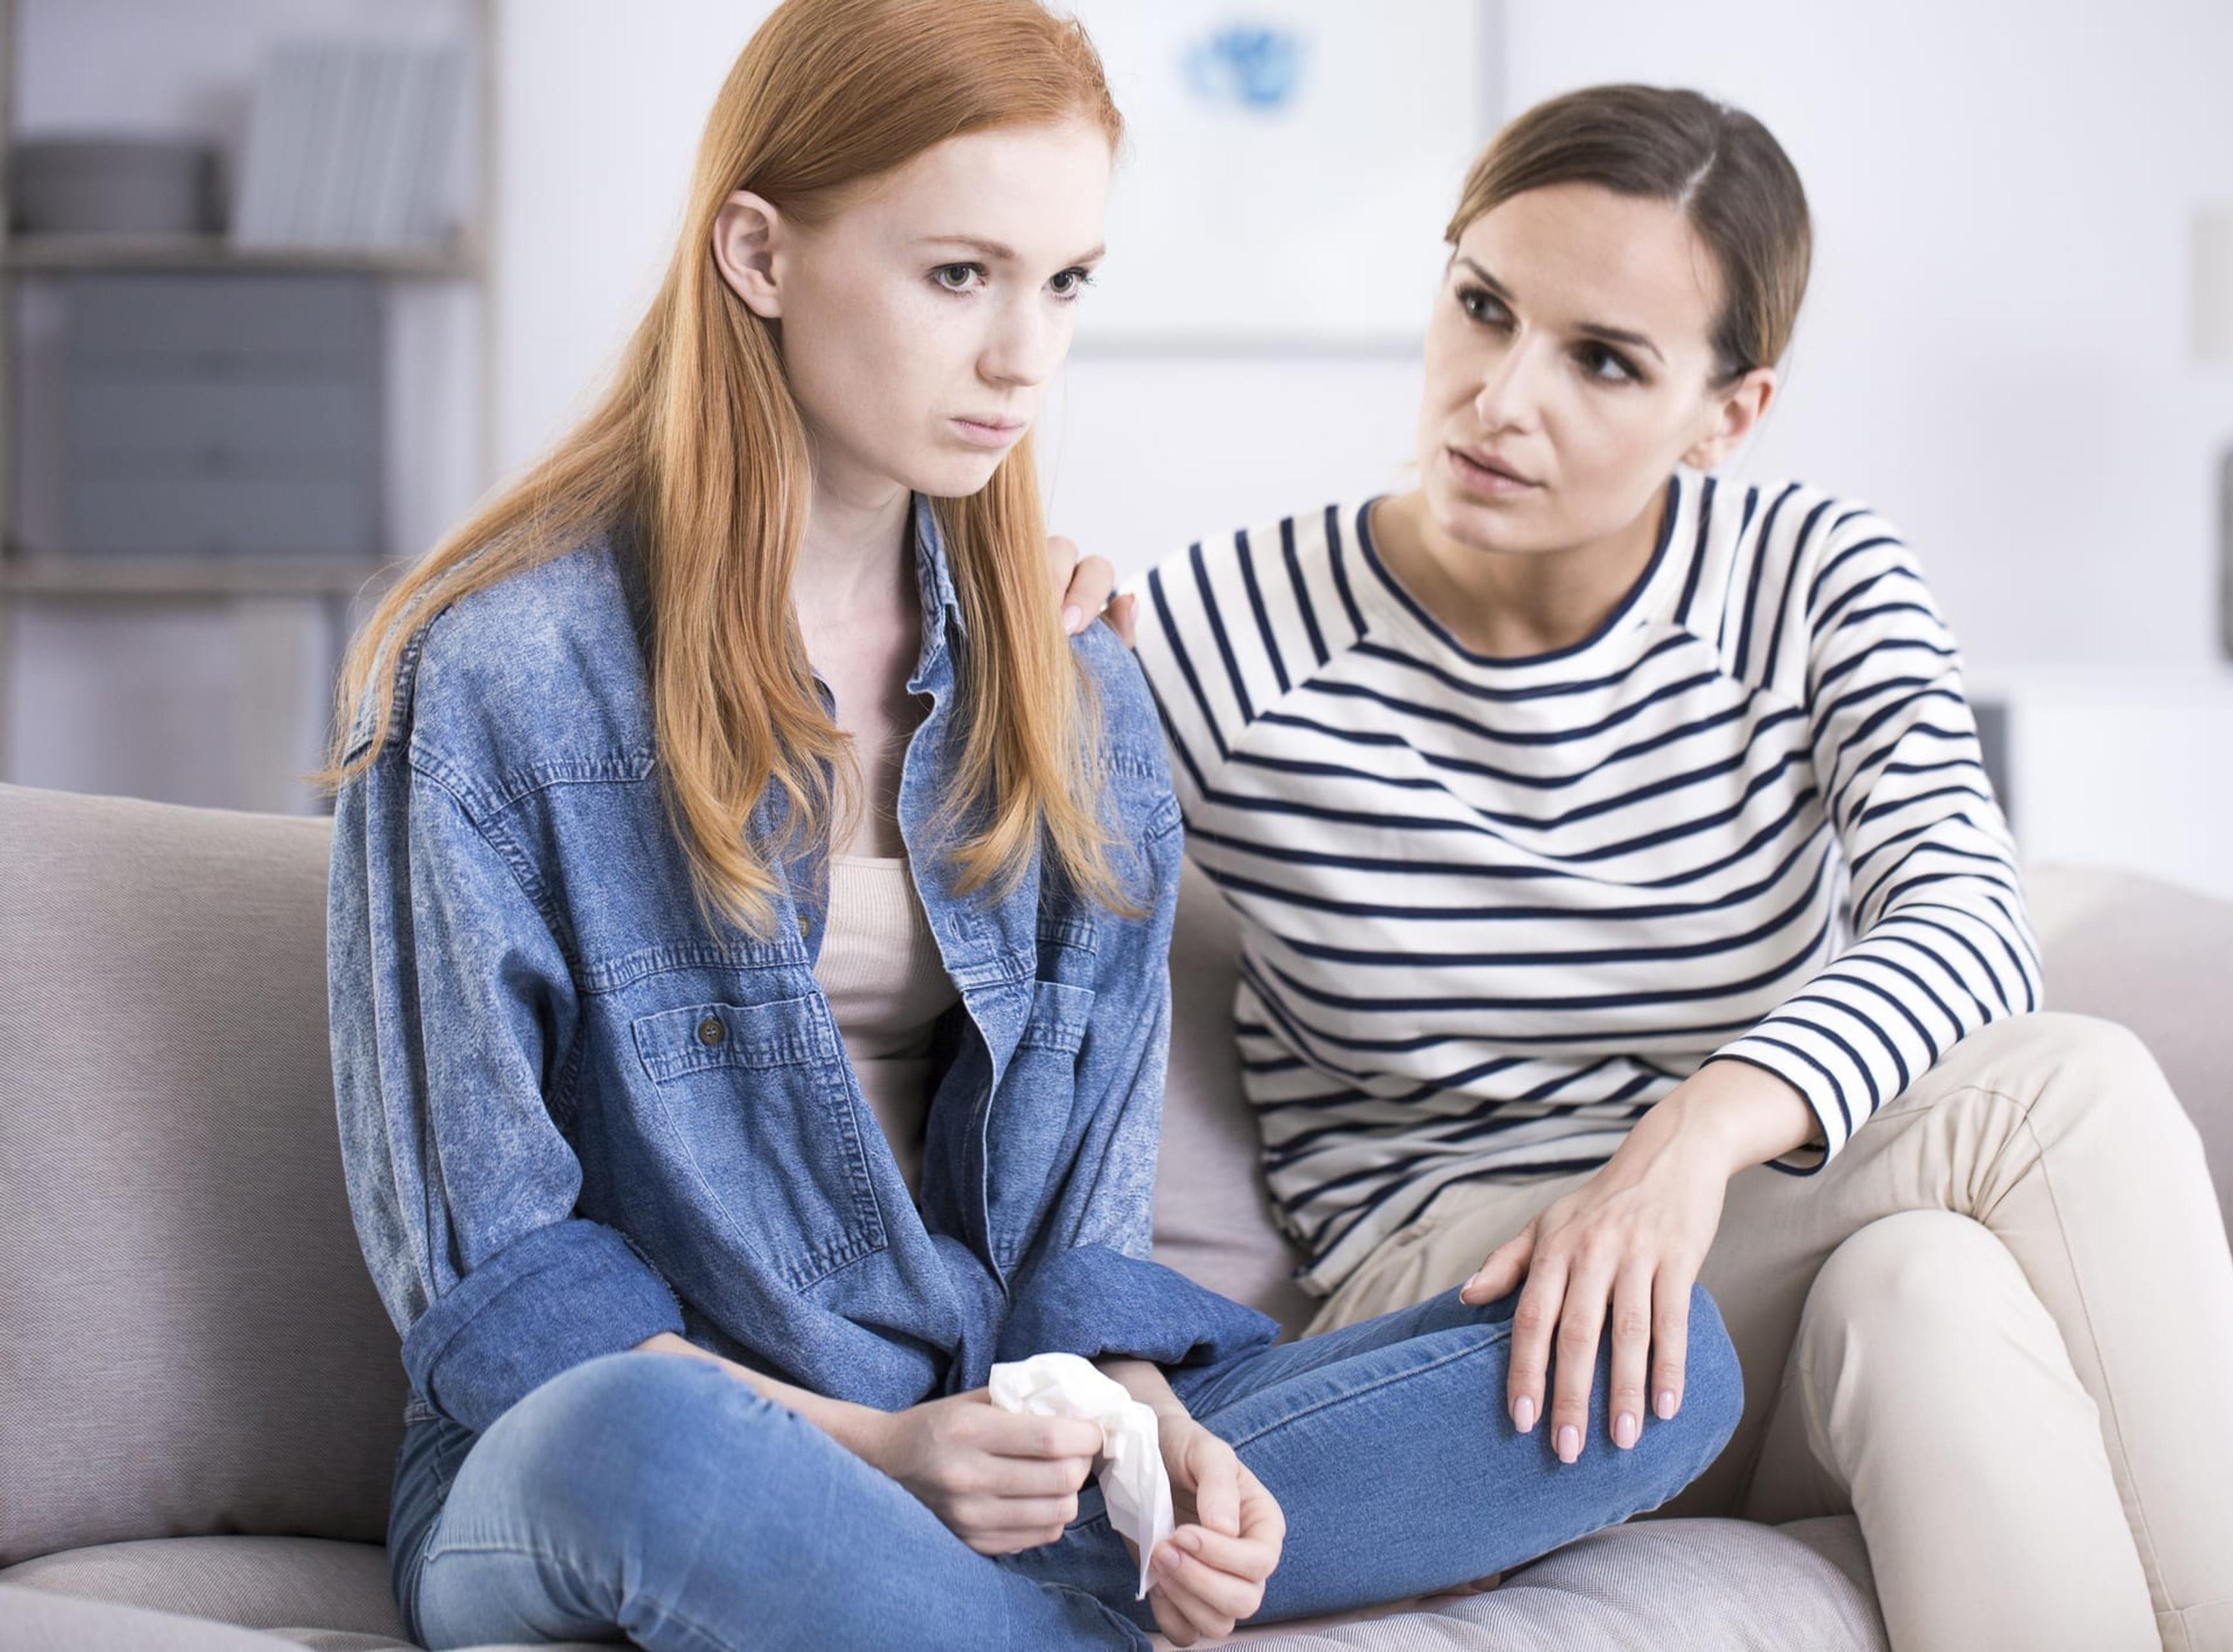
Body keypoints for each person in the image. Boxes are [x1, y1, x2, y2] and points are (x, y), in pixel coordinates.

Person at [321, 10, 1742, 1651]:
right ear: (760, 254)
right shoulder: (496, 673)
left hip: (998, 1445)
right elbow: (489, 1280)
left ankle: (991, 1603)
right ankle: (1029, 1614)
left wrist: (1152, 1447)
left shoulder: (1072, 698)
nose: (1024, 357)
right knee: (642, 1453)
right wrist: (882, 1456)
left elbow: (1080, 1240)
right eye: (958, 276)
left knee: (1656, 1364)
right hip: (627, 1450)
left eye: (1066, 283)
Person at [1116, 84, 2233, 1652]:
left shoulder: (1813, 578)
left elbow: (1966, 917)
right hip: (1466, 1323)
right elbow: (984, 896)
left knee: (1929, 1294)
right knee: (2063, 1095)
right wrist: (1011, 618)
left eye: (1604, 360)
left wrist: (1687, 1146)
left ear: (1727, 414)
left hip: (1740, 1256)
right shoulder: (1220, 634)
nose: (1501, 397)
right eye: (1482, 308)